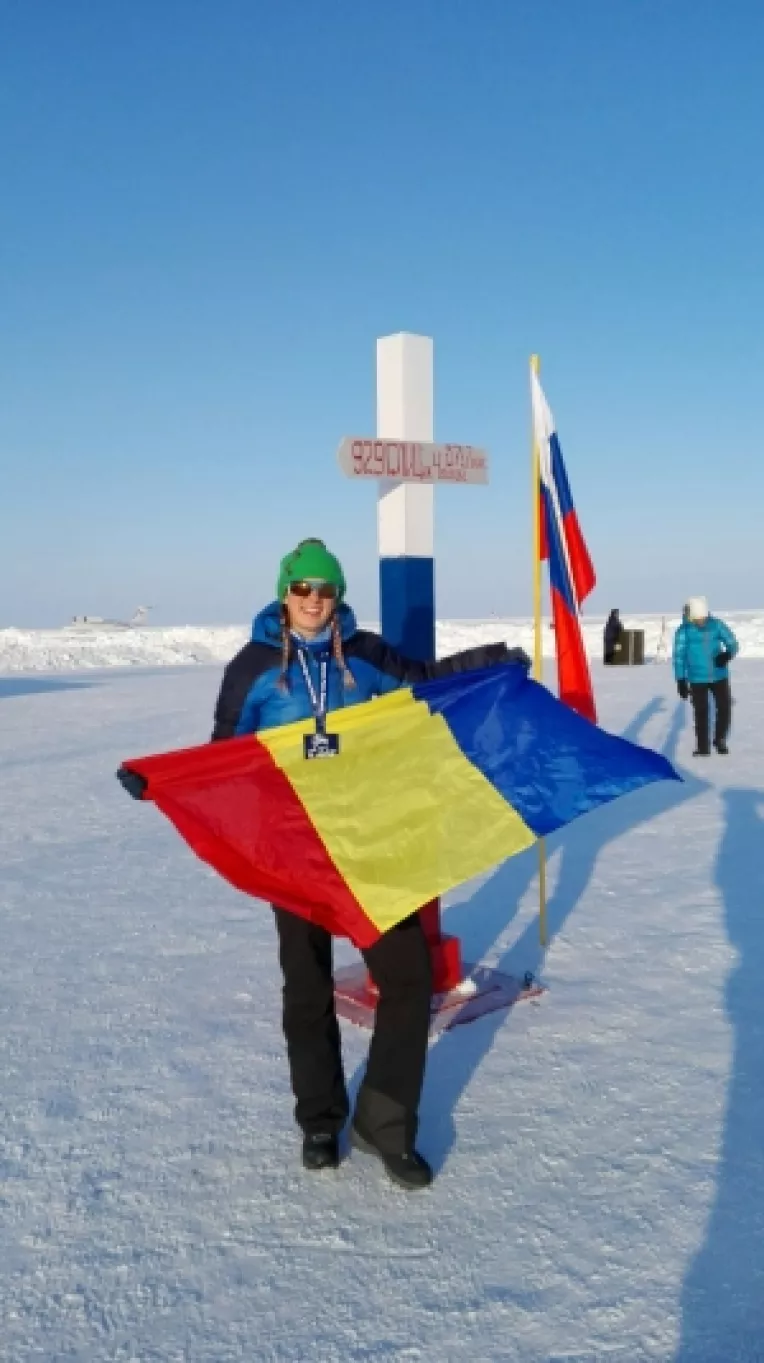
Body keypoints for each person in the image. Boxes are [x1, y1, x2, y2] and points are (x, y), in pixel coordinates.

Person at [211, 538, 524, 1189]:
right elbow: (221, 757)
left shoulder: (370, 655)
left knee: (407, 974)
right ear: (284, 592)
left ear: (339, 596)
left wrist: (493, 659)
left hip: (368, 837)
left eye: (326, 590)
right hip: (293, 843)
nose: (314, 601)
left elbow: (428, 685)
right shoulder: (254, 668)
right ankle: (322, 1119)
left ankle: (385, 1122)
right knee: (306, 980)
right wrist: (159, 780)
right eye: (303, 589)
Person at [673, 596, 739, 755]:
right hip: (697, 679)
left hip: (719, 675)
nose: (702, 621)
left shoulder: (717, 625)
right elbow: (679, 657)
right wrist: (680, 680)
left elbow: (733, 643)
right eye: (698, 618)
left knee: (724, 708)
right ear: (692, 616)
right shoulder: (684, 631)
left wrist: (727, 654)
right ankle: (703, 747)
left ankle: (720, 740)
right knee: (701, 712)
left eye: (704, 617)